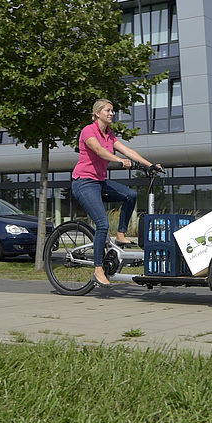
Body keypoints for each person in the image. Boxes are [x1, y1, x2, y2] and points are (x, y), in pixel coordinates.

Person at [72, 98, 160, 286]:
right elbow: (98, 151)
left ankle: (121, 233)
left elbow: (128, 150)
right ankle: (98, 269)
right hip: (84, 183)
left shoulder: (109, 135)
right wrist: (119, 161)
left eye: (113, 111)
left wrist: (150, 165)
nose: (112, 113)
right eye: (108, 110)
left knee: (131, 195)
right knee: (102, 224)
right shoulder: (89, 131)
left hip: (100, 182)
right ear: (97, 113)